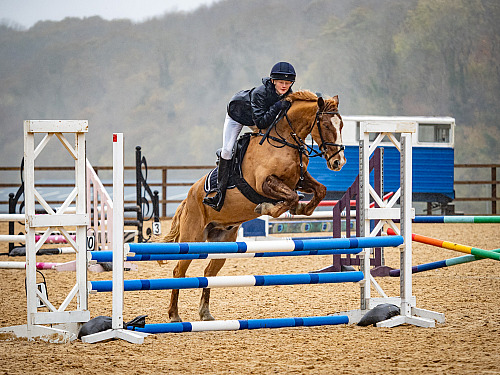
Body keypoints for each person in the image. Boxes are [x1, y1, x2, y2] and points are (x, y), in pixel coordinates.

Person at [203, 61, 296, 211]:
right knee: (228, 150)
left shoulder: (288, 95)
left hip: (258, 117)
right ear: (273, 81)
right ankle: (219, 193)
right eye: (281, 82)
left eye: (288, 83)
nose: (284, 86)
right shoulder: (261, 93)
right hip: (238, 115)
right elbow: (260, 122)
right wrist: (278, 106)